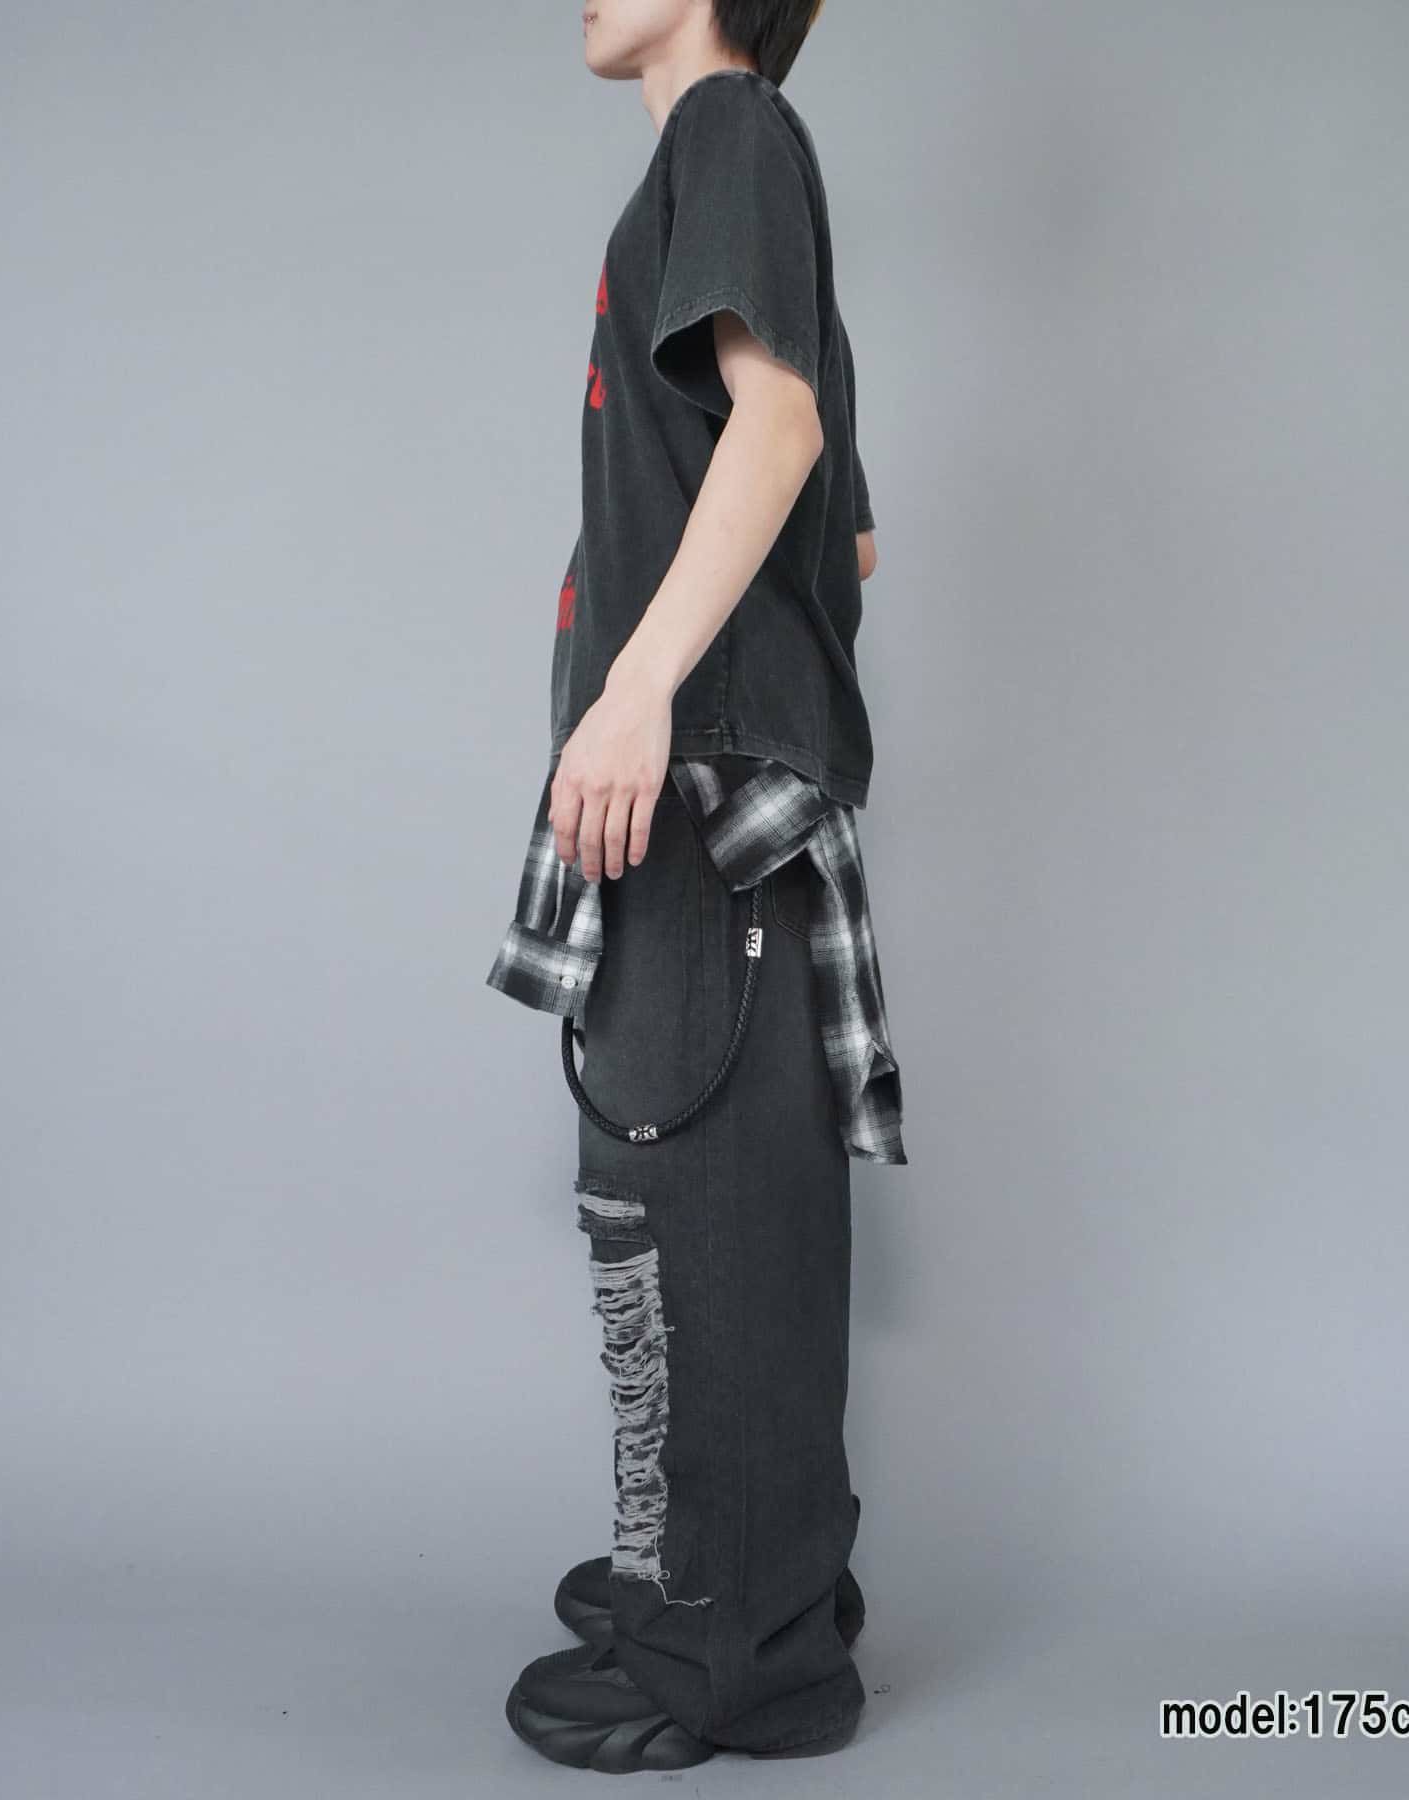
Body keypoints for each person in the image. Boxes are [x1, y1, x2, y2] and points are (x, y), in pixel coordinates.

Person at [488, 0, 907, 1771]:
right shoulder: (737, 175)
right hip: (727, 783)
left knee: (686, 1199)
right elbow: (850, 534)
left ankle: (732, 1655)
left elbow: (782, 432)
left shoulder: (728, 134)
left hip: (701, 790)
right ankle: (754, 1580)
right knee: (727, 1198)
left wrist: (645, 688)